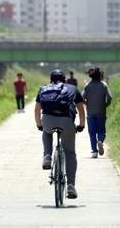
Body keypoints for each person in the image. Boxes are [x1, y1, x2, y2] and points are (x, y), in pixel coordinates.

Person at [34, 69, 86, 199]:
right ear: (65, 79)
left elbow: (37, 110)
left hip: (47, 120)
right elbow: (81, 109)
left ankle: (47, 156)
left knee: (46, 132)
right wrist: (81, 124)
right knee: (70, 152)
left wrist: (39, 125)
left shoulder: (44, 89)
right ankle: (70, 186)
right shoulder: (72, 88)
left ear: (50, 79)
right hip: (66, 121)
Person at [82, 67, 112, 158]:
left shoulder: (87, 86)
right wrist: (105, 105)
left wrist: (87, 104)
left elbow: (82, 98)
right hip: (101, 112)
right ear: (100, 75)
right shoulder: (104, 85)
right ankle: (100, 141)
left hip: (90, 112)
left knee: (92, 132)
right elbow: (110, 97)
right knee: (101, 130)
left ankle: (94, 152)